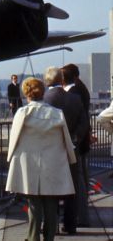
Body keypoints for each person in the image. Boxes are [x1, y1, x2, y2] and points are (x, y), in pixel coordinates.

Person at [6, 77, 76, 241]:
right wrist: (71, 159)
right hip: (52, 163)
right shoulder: (56, 113)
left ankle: (33, 237)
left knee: (34, 203)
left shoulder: (22, 113)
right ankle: (49, 237)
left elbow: (14, 139)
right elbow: (66, 139)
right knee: (51, 203)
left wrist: (10, 158)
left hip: (29, 162)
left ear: (26, 93)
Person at [43, 66, 89, 234]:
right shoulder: (75, 99)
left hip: (49, 150)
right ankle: (70, 226)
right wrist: (73, 139)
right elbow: (84, 124)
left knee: (50, 189)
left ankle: (51, 225)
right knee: (71, 189)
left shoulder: (43, 99)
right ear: (61, 80)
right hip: (71, 149)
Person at [62, 64, 92, 227]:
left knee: (79, 180)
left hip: (76, 143)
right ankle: (82, 215)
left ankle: (81, 217)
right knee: (82, 180)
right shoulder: (82, 89)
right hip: (81, 141)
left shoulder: (73, 93)